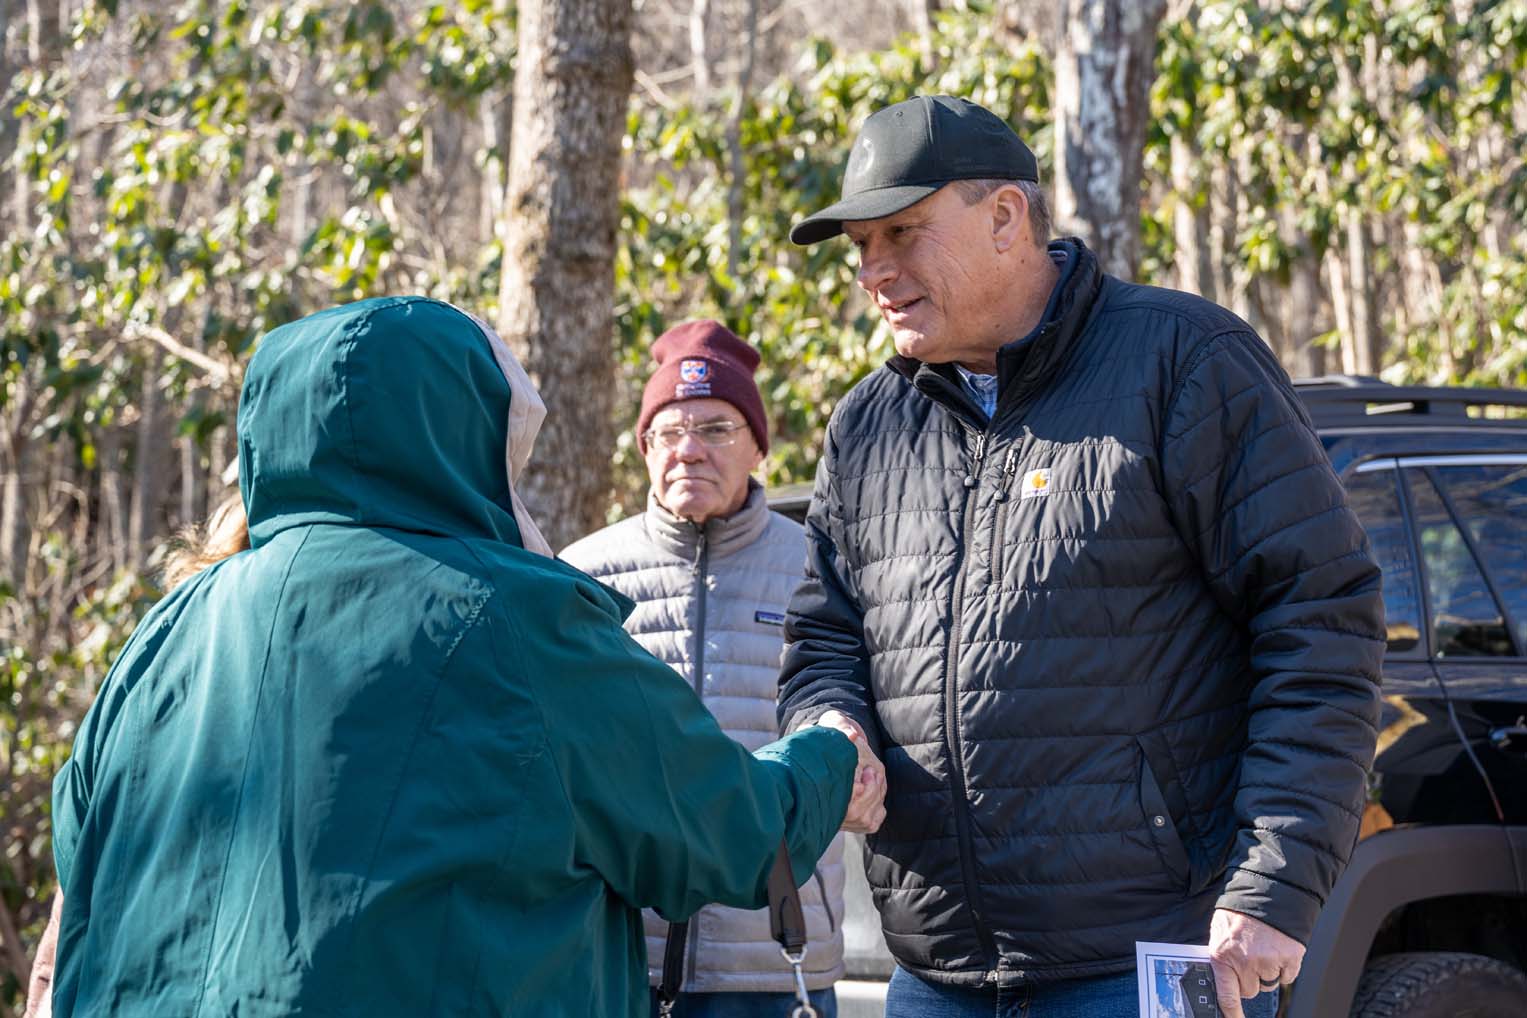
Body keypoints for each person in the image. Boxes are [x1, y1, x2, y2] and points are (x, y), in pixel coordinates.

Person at [30, 296, 873, 1018]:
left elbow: (81, 869)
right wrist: (829, 756)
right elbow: (729, 831)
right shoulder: (521, 616)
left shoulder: (167, 627)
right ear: (461, 435)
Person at [777, 95, 1386, 1018]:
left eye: (901, 232)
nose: (872, 271)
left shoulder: (1185, 362)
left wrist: (1272, 888)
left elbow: (1320, 623)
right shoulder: (868, 423)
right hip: (935, 977)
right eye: (860, 246)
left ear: (1003, 218)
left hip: (1153, 961)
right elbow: (823, 638)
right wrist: (833, 723)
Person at [563, 320, 862, 1018]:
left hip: (775, 960)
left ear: (759, 445)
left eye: (717, 429)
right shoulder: (580, 576)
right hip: (618, 961)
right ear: (644, 449)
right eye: (668, 431)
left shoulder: (821, 570)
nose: (689, 449)